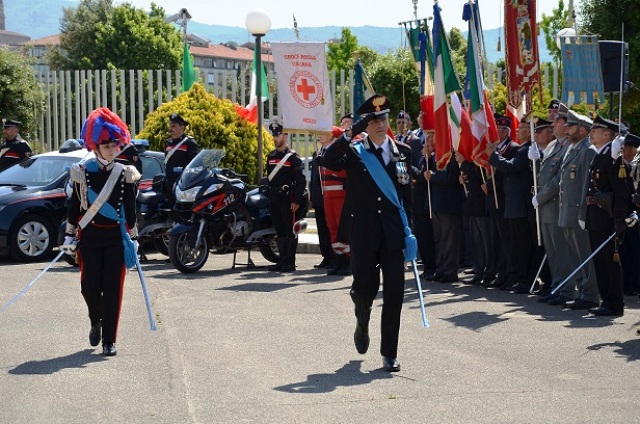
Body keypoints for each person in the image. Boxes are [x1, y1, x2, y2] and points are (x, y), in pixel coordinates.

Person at [322, 94, 412, 372]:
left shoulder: (403, 153)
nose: (380, 124)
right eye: (373, 121)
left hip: (393, 234)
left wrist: (411, 232)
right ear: (365, 125)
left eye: (383, 118)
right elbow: (328, 159)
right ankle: (362, 319)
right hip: (363, 232)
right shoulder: (354, 152)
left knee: (395, 292)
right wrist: (351, 132)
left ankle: (389, 353)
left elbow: (407, 196)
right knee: (364, 290)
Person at [64, 107, 141, 356]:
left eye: (114, 145)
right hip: (90, 237)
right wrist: (69, 234)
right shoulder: (82, 173)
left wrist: (135, 237)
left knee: (113, 289)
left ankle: (109, 339)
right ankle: (95, 320)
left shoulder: (125, 173)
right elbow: (75, 206)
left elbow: (130, 207)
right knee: (88, 287)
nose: (111, 149)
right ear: (96, 146)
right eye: (106, 145)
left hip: (115, 239)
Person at [583, 114, 630, 317]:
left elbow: (622, 191)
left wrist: (619, 218)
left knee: (610, 261)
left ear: (606, 134)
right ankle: (605, 300)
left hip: (608, 217)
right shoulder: (599, 155)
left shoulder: (613, 159)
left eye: (595, 130)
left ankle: (614, 303)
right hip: (596, 215)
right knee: (600, 261)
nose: (591, 133)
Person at [554, 110, 600, 309]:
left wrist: (583, 214)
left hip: (578, 212)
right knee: (575, 255)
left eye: (570, 127)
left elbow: (586, 186)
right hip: (567, 211)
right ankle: (582, 290)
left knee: (585, 254)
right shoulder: (572, 149)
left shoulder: (587, 151)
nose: (567, 130)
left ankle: (591, 294)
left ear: (582, 130)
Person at [265, 122, 306, 272]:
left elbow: (301, 181)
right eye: (274, 135)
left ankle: (290, 262)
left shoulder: (292, 157)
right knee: (280, 230)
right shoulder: (270, 156)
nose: (275, 137)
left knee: (290, 230)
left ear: (286, 136)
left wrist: (297, 200)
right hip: (274, 197)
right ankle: (282, 261)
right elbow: (268, 178)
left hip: (287, 198)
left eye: (278, 134)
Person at [319, 126, 352, 275]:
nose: (320, 136)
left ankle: (348, 260)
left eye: (324, 133)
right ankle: (338, 259)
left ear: (332, 137)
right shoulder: (323, 152)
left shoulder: (338, 153)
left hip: (340, 195)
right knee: (332, 227)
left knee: (342, 228)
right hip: (328, 196)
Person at [164, 112, 198, 208]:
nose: (171, 129)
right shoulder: (168, 143)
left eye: (174, 126)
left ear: (182, 127)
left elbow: (194, 165)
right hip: (169, 182)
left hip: (182, 185)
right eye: (170, 126)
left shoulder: (189, 143)